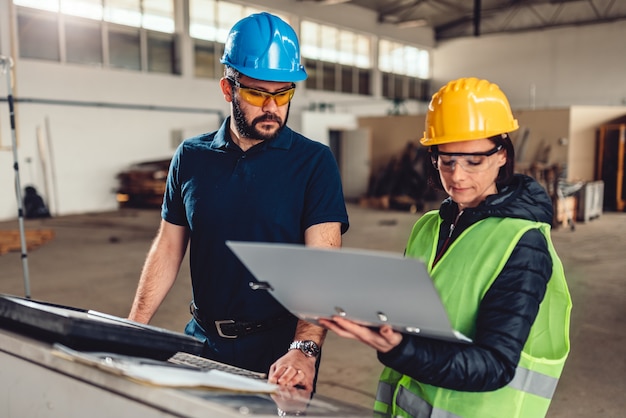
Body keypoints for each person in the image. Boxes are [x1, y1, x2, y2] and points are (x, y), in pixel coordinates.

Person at [320, 77, 572, 418]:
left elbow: (495, 365)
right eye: (446, 160)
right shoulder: (428, 227)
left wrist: (398, 347)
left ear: (501, 156)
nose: (457, 176)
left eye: (473, 161)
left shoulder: (523, 243)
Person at [128, 12, 349, 392]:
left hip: (280, 354)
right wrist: (132, 327)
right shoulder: (191, 157)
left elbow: (321, 266)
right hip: (202, 341)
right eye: (256, 93)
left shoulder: (314, 162)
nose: (271, 107)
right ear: (228, 88)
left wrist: (305, 349)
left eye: (283, 94)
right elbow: (168, 248)